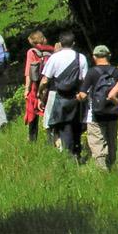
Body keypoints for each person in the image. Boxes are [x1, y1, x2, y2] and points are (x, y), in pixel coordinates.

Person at [39, 31, 88, 159]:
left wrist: (40, 93)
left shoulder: (54, 57)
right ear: (74, 43)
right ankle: (76, 153)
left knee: (63, 126)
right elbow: (84, 79)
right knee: (76, 125)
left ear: (60, 43)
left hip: (60, 97)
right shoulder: (80, 57)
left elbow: (45, 80)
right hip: (76, 97)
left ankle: (68, 155)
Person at [76, 45, 118, 170]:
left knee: (97, 139)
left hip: (95, 113)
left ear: (94, 57)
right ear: (109, 56)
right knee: (111, 139)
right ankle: (111, 164)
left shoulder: (92, 72)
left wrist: (78, 98)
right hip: (114, 112)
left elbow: (83, 94)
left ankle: (101, 166)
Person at [23, 30, 55, 142]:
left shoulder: (31, 52)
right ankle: (51, 139)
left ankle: (32, 139)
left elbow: (28, 73)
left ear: (32, 41)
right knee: (48, 111)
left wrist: (27, 89)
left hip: (34, 86)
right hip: (48, 86)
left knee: (32, 112)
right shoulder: (51, 52)